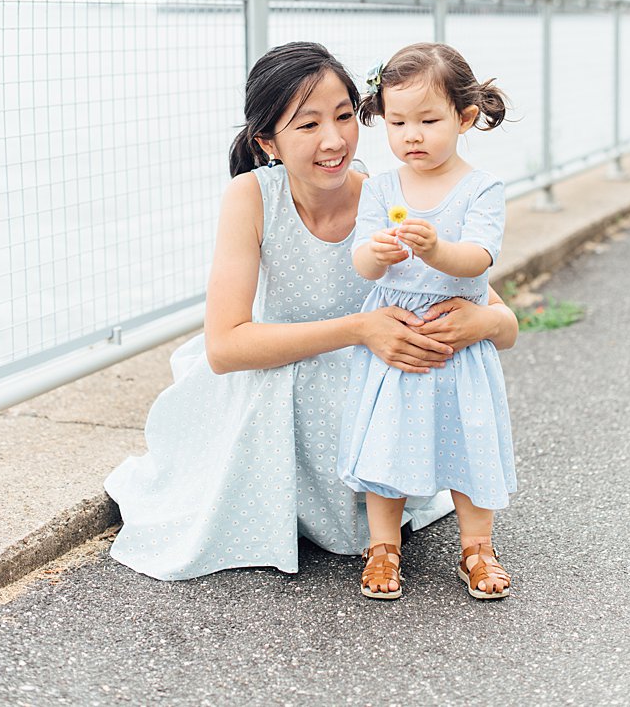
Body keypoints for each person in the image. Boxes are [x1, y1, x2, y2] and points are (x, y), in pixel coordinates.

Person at [106, 42, 519, 581]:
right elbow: (226, 347)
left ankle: (405, 537)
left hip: (370, 377)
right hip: (276, 376)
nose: (334, 140)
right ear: (267, 142)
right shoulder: (251, 197)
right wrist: (360, 328)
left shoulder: (386, 199)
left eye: (345, 117)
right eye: (307, 126)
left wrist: (480, 322)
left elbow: (501, 320)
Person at [339, 42, 516, 602]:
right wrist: (379, 254)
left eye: (428, 120)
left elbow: (479, 259)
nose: (411, 135)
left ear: (465, 119)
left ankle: (477, 546)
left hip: (456, 340)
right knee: (388, 444)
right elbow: (360, 263)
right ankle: (383, 545)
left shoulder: (481, 188)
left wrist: (437, 249)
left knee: (470, 441)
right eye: (397, 122)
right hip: (395, 336)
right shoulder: (382, 188)